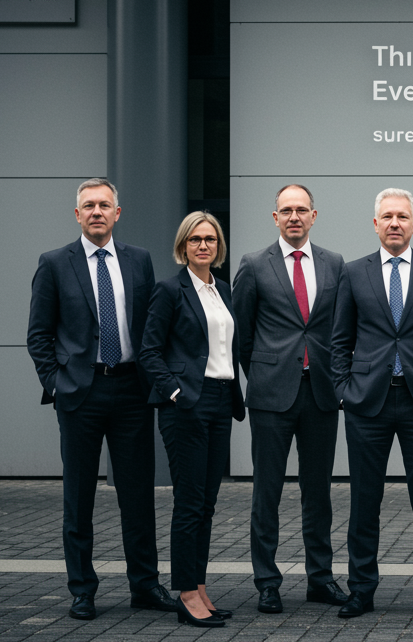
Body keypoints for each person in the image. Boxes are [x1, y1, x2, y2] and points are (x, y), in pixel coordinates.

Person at [26, 178, 178, 620]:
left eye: (104, 205)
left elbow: (151, 327)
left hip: (131, 390)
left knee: (138, 495)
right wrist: (56, 383)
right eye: (88, 206)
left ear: (117, 213)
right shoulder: (55, 263)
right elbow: (38, 334)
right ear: (77, 215)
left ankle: (145, 586)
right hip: (81, 392)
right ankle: (82, 590)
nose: (96, 212)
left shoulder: (138, 260)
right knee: (79, 498)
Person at [331, 188, 413, 618]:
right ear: (375, 224)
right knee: (364, 501)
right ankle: (361, 590)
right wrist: (344, 391)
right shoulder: (353, 272)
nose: (394, 223)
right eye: (387, 216)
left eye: (402, 217)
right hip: (367, 402)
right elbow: (339, 340)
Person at [232, 184, 348, 614]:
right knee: (267, 493)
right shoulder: (253, 265)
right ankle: (267, 582)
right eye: (286, 210)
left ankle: (320, 578)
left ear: (314, 216)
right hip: (271, 397)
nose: (294, 216)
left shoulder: (334, 263)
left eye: (301, 210)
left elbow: (340, 329)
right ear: (275, 217)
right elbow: (242, 334)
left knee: (318, 494)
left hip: (321, 393)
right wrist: (264, 374)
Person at [139, 212, 246, 628]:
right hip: (187, 404)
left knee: (207, 504)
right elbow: (150, 351)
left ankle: (199, 587)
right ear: (183, 246)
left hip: (221, 401)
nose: (204, 245)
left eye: (210, 239)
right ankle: (185, 593)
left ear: (219, 246)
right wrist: (176, 392)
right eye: (195, 239)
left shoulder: (223, 290)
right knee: (188, 503)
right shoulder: (170, 290)